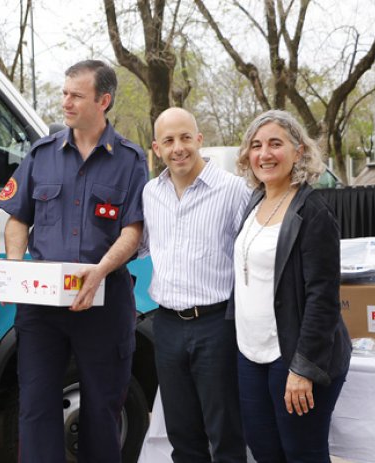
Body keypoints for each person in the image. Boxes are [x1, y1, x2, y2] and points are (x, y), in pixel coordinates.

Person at [0, 60, 147, 462]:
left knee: (102, 409)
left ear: (104, 100)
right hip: (42, 309)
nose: (65, 102)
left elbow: (134, 230)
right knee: (35, 407)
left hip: (103, 301)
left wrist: (98, 273)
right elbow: (17, 219)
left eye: (76, 95)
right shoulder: (41, 153)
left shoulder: (131, 161)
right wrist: (15, 264)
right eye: (64, 93)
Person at [230, 109, 351, 462]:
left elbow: (323, 297)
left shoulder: (313, 211)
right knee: (264, 450)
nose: (264, 154)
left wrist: (303, 368)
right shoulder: (255, 202)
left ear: (298, 151)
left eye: (275, 144)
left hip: (294, 356)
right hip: (251, 355)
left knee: (302, 453)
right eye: (256, 145)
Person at [139, 107, 249, 462]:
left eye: (185, 137)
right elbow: (137, 246)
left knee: (225, 432)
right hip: (167, 326)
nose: (178, 148)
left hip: (217, 326)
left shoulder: (233, 190)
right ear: (157, 148)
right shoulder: (150, 195)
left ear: (200, 140)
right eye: (168, 141)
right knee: (182, 434)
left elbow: (250, 254)